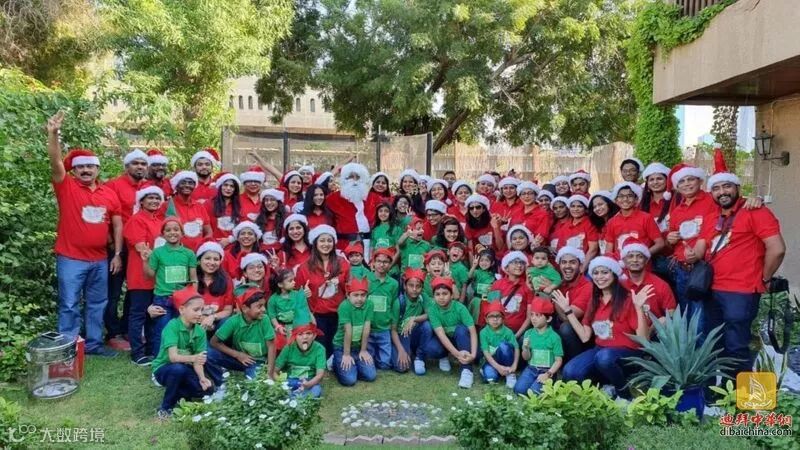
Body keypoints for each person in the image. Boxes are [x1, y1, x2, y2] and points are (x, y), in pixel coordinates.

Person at [46, 111, 123, 357]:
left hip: (99, 259)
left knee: (97, 303)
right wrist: (53, 134)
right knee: (69, 304)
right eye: (81, 167)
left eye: (90, 166)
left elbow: (117, 225)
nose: (86, 170)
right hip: (70, 258)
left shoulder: (108, 193)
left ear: (97, 168)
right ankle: (68, 347)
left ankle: (93, 345)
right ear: (74, 170)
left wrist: (117, 254)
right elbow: (56, 162)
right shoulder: (66, 186)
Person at [703, 170, 785, 380]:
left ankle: (742, 396)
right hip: (713, 290)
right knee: (718, 344)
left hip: (741, 291)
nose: (722, 192)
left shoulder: (756, 212)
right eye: (716, 188)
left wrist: (764, 278)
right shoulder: (713, 216)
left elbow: (777, 249)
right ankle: (723, 392)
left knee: (736, 346)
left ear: (738, 188)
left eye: (727, 186)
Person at [554, 257, 653, 398]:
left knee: (604, 358)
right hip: (601, 350)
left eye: (605, 272)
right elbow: (584, 336)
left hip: (628, 352)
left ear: (614, 274)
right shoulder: (595, 301)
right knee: (570, 371)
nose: (599, 277)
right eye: (596, 273)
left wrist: (639, 308)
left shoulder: (628, 299)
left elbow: (644, 339)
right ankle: (604, 387)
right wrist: (567, 310)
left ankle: (624, 395)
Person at [104, 148, 149, 349]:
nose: (140, 167)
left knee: (135, 290)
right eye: (135, 163)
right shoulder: (113, 185)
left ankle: (127, 329)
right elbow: (104, 217)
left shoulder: (148, 188)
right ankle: (112, 332)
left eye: (143, 163)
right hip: (118, 247)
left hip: (138, 249)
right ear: (126, 166)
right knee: (113, 291)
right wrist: (112, 245)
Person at [151, 286, 216, 419]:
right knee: (177, 369)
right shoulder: (172, 326)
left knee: (207, 389)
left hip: (186, 368)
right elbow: (173, 358)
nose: (200, 314)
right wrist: (194, 358)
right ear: (182, 310)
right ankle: (165, 408)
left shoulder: (200, 331)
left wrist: (202, 378)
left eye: (202, 310)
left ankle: (180, 394)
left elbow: (198, 361)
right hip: (164, 368)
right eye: (196, 310)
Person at [124, 186, 166, 365]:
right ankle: (137, 353)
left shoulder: (159, 221)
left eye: (157, 198)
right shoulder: (136, 220)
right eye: (150, 198)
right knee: (139, 314)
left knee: (152, 314)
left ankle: (150, 348)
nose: (154, 201)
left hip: (156, 276)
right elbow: (142, 248)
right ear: (141, 201)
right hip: (140, 274)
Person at [144, 217, 198, 353]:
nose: (172, 232)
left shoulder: (189, 254)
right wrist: (145, 261)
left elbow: (193, 279)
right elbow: (149, 275)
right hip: (163, 298)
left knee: (182, 329)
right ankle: (159, 360)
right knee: (162, 330)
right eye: (168, 230)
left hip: (183, 300)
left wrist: (194, 300)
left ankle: (180, 357)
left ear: (182, 233)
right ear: (163, 234)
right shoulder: (158, 253)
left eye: (176, 229)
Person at [295, 225, 351, 356]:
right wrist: (308, 311)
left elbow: (349, 288)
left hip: (339, 314)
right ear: (315, 243)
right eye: (322, 240)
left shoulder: (342, 263)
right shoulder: (304, 267)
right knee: (322, 351)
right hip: (316, 316)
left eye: (329, 240)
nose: (326, 244)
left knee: (337, 350)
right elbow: (297, 294)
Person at [207, 288, 276, 381]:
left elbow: (271, 347)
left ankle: (252, 375)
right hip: (238, 359)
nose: (264, 309)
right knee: (208, 354)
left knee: (256, 381)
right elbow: (214, 342)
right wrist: (237, 355)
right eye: (259, 306)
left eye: (264, 305)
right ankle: (220, 382)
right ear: (245, 308)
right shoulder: (234, 321)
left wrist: (269, 372)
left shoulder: (264, 319)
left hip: (257, 362)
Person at [422, 277, 478, 388]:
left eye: (445, 293)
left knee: (461, 329)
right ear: (434, 296)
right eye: (437, 294)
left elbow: (472, 331)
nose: (441, 297)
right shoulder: (432, 309)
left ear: (451, 295)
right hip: (444, 340)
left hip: (460, 340)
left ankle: (467, 370)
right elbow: (441, 334)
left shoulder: (460, 308)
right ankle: (443, 356)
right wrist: (457, 354)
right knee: (430, 348)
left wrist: (473, 355)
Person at [540, 247, 592, 362]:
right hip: (558, 329)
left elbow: (566, 317)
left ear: (581, 266)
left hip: (581, 337)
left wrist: (553, 292)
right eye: (564, 262)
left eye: (572, 262)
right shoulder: (559, 282)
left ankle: (574, 362)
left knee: (566, 328)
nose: (567, 266)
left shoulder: (587, 286)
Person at [620, 238, 676, 329]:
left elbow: (672, 314)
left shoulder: (661, 285)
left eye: (639, 256)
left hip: (654, 333)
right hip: (624, 333)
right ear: (624, 260)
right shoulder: (618, 284)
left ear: (646, 260)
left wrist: (654, 328)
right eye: (630, 256)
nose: (635, 260)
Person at [332, 277, 377, 386]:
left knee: (371, 376)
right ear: (348, 296)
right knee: (350, 380)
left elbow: (367, 328)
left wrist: (363, 350)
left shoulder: (369, 305)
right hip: (342, 347)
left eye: (363, 295)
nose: (359, 299)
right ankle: (336, 361)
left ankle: (354, 364)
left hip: (358, 346)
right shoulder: (344, 306)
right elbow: (348, 331)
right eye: (355, 295)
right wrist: (346, 354)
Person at [514, 297, 563, 395]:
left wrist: (548, 374)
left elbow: (558, 361)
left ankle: (548, 383)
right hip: (531, 368)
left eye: (538, 315)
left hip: (547, 371)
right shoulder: (528, 333)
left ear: (548, 319)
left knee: (534, 393)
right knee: (518, 390)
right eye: (532, 315)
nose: (533, 318)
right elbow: (526, 358)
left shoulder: (554, 337)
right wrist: (526, 349)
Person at [603, 181, 664, 256]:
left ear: (636, 199)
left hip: (642, 262)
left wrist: (643, 255)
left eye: (630, 196)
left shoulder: (646, 218)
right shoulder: (611, 222)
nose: (625, 199)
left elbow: (660, 243)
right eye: (621, 196)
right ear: (616, 200)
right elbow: (609, 249)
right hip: (619, 262)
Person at [326, 163, 373, 256]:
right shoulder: (332, 199)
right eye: (351, 177)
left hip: (368, 246)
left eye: (357, 177)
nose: (354, 180)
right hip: (344, 246)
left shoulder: (372, 198)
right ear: (344, 179)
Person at [392, 268, 433, 375]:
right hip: (402, 335)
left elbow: (431, 314)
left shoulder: (423, 297)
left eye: (418, 286)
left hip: (415, 332)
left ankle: (419, 356)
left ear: (422, 288)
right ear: (405, 286)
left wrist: (414, 319)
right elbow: (393, 330)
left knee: (427, 326)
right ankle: (407, 352)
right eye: (411, 285)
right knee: (402, 367)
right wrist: (401, 350)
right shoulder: (399, 302)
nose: (414, 289)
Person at [483, 251, 532, 336]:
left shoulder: (527, 286)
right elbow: (491, 311)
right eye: (515, 262)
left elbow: (529, 317)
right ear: (506, 268)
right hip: (499, 330)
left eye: (521, 263)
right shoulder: (497, 284)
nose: (519, 265)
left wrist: (516, 336)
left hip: (520, 332)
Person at [366, 248, 400, 370]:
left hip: (384, 328)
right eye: (379, 261)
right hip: (369, 327)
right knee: (368, 361)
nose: (382, 264)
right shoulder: (366, 279)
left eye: (385, 262)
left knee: (385, 364)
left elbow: (394, 303)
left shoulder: (393, 283)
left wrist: (392, 322)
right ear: (373, 263)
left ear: (390, 264)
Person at [274, 323, 326, 398]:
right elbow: (274, 371)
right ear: (295, 336)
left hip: (309, 380)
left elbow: (319, 375)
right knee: (277, 390)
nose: (305, 337)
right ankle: (294, 398)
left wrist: (308, 384)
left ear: (314, 336)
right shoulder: (288, 347)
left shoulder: (319, 349)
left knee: (316, 390)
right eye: (300, 334)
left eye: (308, 333)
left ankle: (294, 399)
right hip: (290, 379)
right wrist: (282, 384)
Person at [166, 171, 213, 252]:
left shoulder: (199, 206)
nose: (187, 185)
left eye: (190, 183)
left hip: (198, 253)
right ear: (176, 186)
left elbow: (208, 231)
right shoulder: (167, 205)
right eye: (183, 182)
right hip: (176, 253)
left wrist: (203, 246)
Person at [268, 268, 313, 351]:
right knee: (284, 349)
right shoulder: (273, 299)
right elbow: (272, 316)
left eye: (294, 280)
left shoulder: (297, 294)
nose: (294, 282)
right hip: (282, 329)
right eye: (290, 281)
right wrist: (278, 326)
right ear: (280, 284)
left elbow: (303, 310)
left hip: (297, 327)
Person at [552, 195, 599, 270]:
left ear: (585, 209)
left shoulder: (590, 223)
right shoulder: (566, 225)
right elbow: (561, 248)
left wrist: (582, 268)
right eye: (573, 206)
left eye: (579, 206)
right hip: (568, 266)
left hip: (585, 266)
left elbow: (593, 249)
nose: (575, 209)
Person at [195, 242, 234, 332]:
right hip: (196, 322)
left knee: (227, 322)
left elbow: (228, 310)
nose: (212, 263)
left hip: (217, 322)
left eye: (216, 259)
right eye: (207, 258)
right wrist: (202, 319)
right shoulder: (192, 279)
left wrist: (212, 317)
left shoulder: (226, 280)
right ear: (199, 260)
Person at [479, 302, 519, 388]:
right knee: (491, 378)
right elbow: (486, 352)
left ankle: (510, 374)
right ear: (486, 319)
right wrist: (498, 367)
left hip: (506, 361)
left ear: (503, 318)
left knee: (503, 346)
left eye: (498, 316)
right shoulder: (483, 332)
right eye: (491, 316)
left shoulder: (508, 332)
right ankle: (490, 371)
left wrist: (514, 365)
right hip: (491, 361)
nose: (495, 319)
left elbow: (516, 348)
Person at [207, 172, 242, 247]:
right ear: (220, 186)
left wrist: (230, 239)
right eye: (225, 185)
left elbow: (243, 227)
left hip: (234, 246)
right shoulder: (209, 204)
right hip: (213, 245)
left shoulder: (240, 205)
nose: (228, 188)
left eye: (232, 186)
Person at [467, 249, 499, 322]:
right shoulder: (477, 272)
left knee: (485, 320)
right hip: (477, 301)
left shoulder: (493, 275)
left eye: (487, 260)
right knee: (475, 320)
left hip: (488, 301)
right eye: (481, 260)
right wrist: (474, 266)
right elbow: (469, 276)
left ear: (492, 263)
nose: (484, 263)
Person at [255, 188, 286, 253]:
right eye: (266, 200)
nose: (269, 203)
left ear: (278, 202)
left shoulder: (285, 218)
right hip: (263, 253)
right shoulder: (260, 219)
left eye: (272, 200)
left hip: (281, 252)